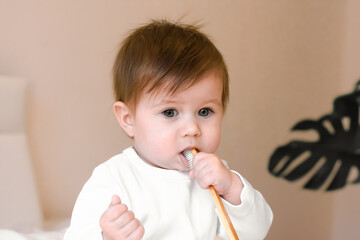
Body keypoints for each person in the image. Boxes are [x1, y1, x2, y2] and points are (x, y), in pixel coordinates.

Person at [64, 19, 273, 240]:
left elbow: (255, 232)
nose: (192, 129)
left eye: (204, 112)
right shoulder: (113, 179)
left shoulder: (216, 178)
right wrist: (108, 237)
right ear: (128, 119)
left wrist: (232, 188)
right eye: (170, 112)